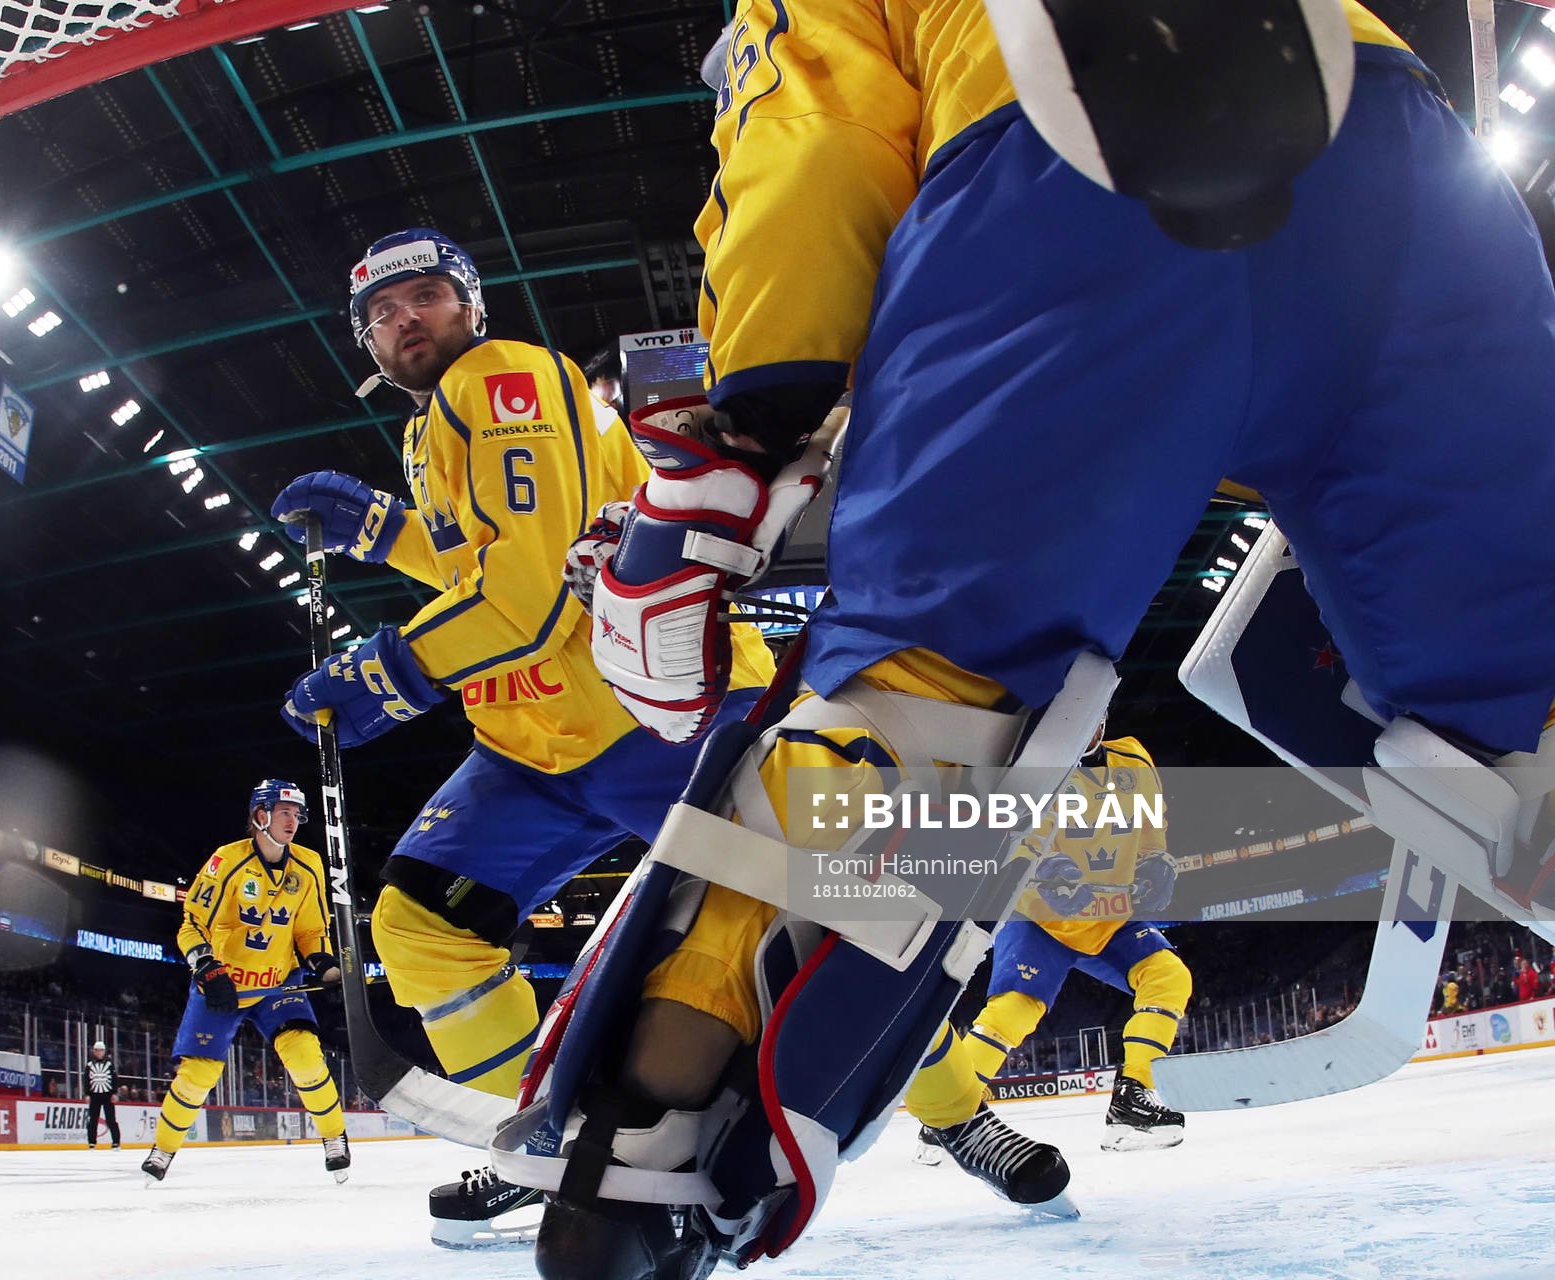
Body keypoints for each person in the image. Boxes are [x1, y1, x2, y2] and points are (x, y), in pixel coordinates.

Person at [507, 2, 1555, 1275]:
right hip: (1406, 167)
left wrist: (746, 426)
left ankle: (644, 1171)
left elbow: (814, 127)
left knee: (909, 728)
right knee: (1530, 722)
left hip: (1067, 154)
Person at [268, 227, 776, 1246]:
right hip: (531, 742)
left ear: (473, 306)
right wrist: (377, 525)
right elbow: (479, 562)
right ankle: (557, 1134)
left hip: (656, 717)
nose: (403, 318)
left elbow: (531, 593)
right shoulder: (428, 427)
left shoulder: (499, 379)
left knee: (815, 919)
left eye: (425, 295)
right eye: (380, 311)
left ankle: (953, 1103)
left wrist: (385, 675)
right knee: (418, 931)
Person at [944, 727, 1191, 1151]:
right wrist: (1045, 868)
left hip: (1111, 918)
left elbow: (1152, 833)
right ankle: (947, 1114)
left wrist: (1157, 863)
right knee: (1013, 1010)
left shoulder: (1133, 758)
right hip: (1041, 917)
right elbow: (1016, 840)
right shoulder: (1034, 769)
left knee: (1169, 976)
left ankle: (1134, 1098)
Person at [139, 779, 350, 1185]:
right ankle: (162, 1150)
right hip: (223, 985)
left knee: (306, 1056)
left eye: (297, 814)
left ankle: (334, 1139)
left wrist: (322, 964)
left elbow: (310, 931)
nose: (294, 821)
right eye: (284, 812)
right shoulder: (227, 861)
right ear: (261, 815)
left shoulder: (308, 866)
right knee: (198, 1074)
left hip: (277, 986)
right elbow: (191, 925)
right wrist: (207, 968)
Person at [85, 1040, 119, 1150]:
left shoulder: (109, 1064)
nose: (99, 1052)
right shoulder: (89, 1065)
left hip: (107, 1094)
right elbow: (86, 1080)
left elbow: (114, 1079)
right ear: (94, 1051)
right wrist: (87, 1094)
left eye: (101, 1050)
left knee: (111, 1119)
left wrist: (114, 1092)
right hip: (94, 1094)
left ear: (104, 1051)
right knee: (93, 1120)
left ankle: (116, 1142)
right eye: (97, 1050)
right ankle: (92, 1142)